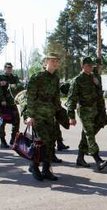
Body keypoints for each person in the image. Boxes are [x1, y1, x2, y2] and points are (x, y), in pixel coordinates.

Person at [66, 56, 107, 171]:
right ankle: (98, 160)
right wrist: (71, 116)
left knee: (87, 134)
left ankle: (80, 158)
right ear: (82, 66)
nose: (90, 67)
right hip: (84, 110)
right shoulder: (77, 80)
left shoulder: (96, 77)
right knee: (89, 134)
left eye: (91, 66)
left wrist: (97, 84)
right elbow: (71, 99)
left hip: (95, 109)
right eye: (88, 65)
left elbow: (100, 95)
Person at [26, 52, 62, 181]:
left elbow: (56, 98)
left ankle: (46, 170)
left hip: (49, 115)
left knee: (51, 142)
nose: (55, 63)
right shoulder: (37, 77)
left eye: (57, 61)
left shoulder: (55, 78)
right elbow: (30, 97)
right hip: (38, 115)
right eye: (52, 60)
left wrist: (60, 113)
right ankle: (34, 166)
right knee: (40, 143)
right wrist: (30, 115)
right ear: (46, 62)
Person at [0, 62, 23, 148]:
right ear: (4, 68)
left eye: (10, 67)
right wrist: (2, 100)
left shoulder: (14, 77)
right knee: (1, 123)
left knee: (16, 121)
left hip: (12, 103)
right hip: (2, 104)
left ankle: (13, 139)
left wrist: (7, 84)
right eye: (7, 67)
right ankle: (2, 141)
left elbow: (19, 86)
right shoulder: (1, 77)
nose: (9, 69)